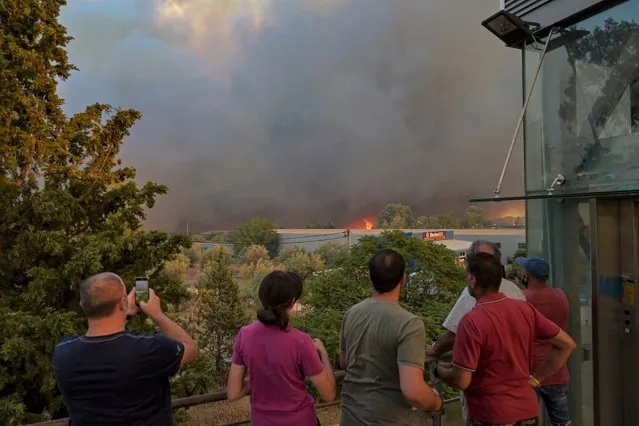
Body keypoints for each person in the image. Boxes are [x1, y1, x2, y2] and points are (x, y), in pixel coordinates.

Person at [434, 252, 576, 426]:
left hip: (492, 414)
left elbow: (461, 379)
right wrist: (536, 379)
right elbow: (567, 344)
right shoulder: (524, 309)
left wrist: (439, 370)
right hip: (527, 412)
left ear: (472, 280)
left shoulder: (471, 321)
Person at [52, 272, 197, 426]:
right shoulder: (151, 349)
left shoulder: (63, 353)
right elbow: (189, 348)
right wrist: (158, 315)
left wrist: (124, 314)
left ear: (83, 304)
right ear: (122, 303)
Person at [339, 249, 443, 426]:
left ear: (370, 278)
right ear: (403, 278)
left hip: (351, 417)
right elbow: (414, 392)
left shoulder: (351, 314)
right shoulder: (409, 324)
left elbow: (345, 363)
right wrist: (436, 402)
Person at [426, 240, 526, 422]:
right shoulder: (516, 292)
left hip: (486, 401)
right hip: (517, 397)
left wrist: (435, 355)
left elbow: (453, 335)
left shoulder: (471, 297)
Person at [227, 270, 336, 426]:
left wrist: (261, 379)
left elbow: (233, 393)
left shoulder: (244, 335)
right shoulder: (302, 341)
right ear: (292, 302)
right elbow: (329, 394)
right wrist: (323, 353)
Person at [516, 256, 571, 426]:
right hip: (557, 369)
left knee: (526, 420)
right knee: (562, 421)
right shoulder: (560, 295)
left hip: (530, 372)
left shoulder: (523, 299)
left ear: (527, 276)